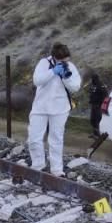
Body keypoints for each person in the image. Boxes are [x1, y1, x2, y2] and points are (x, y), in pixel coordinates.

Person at [28, 43, 81, 176]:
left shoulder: (71, 67)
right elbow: (37, 81)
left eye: (66, 60)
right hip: (40, 107)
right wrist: (53, 71)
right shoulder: (43, 63)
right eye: (61, 61)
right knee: (34, 138)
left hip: (60, 108)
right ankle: (38, 165)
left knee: (56, 139)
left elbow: (75, 87)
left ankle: (57, 169)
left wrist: (65, 77)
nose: (65, 63)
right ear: (54, 57)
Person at [88, 73, 108, 138]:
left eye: (92, 79)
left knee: (98, 119)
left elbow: (105, 95)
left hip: (98, 105)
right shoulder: (93, 85)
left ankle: (99, 134)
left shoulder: (101, 85)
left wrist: (102, 104)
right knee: (92, 120)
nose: (91, 80)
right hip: (93, 105)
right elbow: (91, 93)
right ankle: (94, 133)